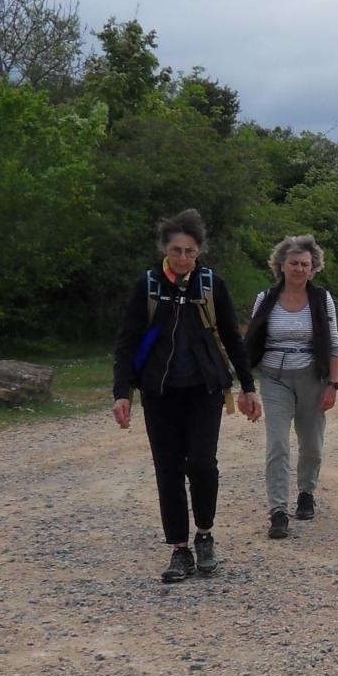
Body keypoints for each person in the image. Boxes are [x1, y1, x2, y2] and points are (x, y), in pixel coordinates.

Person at [111, 209, 262, 583]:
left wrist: (247, 386)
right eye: (176, 250)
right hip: (159, 392)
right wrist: (122, 392)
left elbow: (232, 337)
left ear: (199, 252)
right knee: (168, 469)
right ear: (165, 249)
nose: (182, 258)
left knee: (201, 464)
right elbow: (128, 341)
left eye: (190, 251)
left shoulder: (211, 285)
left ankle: (205, 535)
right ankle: (180, 549)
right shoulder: (147, 286)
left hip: (204, 389)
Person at [245, 234, 338, 541]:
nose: (299, 269)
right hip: (273, 378)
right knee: (277, 444)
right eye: (294, 263)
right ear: (281, 265)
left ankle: (306, 493)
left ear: (313, 268)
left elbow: (335, 343)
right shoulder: (266, 299)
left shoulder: (321, 299)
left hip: (312, 377)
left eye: (305, 264)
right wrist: (245, 385)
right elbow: (252, 341)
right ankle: (277, 511)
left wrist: (332, 385)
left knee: (311, 444)